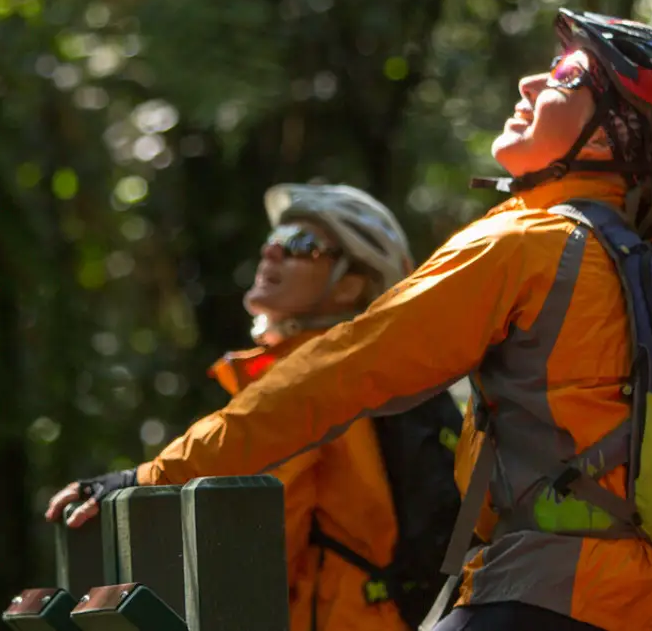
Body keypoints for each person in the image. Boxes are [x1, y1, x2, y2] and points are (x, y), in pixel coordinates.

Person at [45, 8, 652, 631]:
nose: (530, 82)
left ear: (616, 131)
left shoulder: (531, 245)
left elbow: (339, 371)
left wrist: (154, 476)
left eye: (563, 76)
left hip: (560, 595)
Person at [49, 182, 423, 631]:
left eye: (300, 244)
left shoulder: (313, 381)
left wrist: (136, 486)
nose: (272, 251)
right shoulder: (345, 378)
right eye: (273, 239)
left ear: (350, 287)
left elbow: (255, 553)